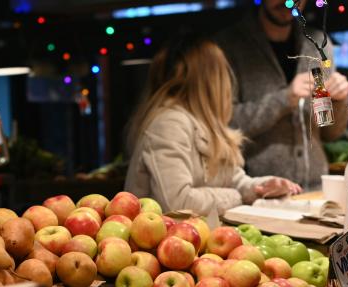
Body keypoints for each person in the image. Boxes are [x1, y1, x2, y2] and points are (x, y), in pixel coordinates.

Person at [125, 36, 302, 218]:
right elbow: (177, 203)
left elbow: (234, 179)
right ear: (213, 80)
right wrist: (239, 196)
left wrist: (262, 187)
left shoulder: (202, 122)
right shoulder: (169, 123)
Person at [215, 0, 348, 189]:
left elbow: (330, 131)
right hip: (260, 190)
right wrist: (284, 99)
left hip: (316, 187)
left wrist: (338, 100)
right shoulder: (229, 46)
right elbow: (224, 124)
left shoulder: (317, 45)